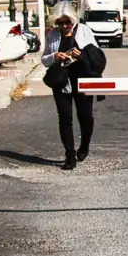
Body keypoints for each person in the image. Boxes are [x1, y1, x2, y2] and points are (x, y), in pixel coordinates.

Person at [43, 11, 98, 168]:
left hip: (82, 79)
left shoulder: (83, 31)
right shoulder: (52, 35)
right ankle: (70, 155)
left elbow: (95, 54)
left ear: (73, 21)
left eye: (67, 22)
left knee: (85, 116)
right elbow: (44, 59)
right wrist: (54, 56)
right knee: (65, 118)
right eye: (60, 23)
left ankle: (84, 146)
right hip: (61, 81)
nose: (64, 26)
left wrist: (81, 55)